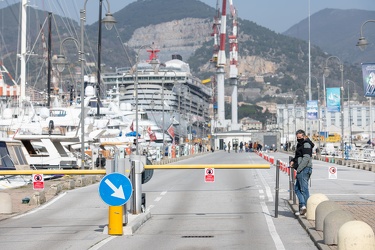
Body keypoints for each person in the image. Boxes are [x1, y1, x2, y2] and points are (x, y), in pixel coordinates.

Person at [290, 129, 314, 216]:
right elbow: (297, 156)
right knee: (297, 189)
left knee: (303, 189)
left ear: (304, 136)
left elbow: (306, 158)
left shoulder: (306, 144)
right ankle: (303, 207)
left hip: (304, 169)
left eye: (300, 137)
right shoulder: (300, 144)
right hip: (302, 169)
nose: (298, 139)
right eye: (297, 137)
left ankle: (307, 208)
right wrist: (293, 160)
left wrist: (299, 168)